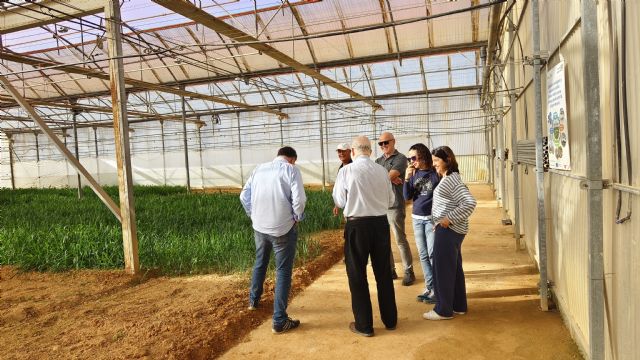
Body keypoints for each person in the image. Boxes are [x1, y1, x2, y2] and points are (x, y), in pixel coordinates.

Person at [333, 136, 397, 337]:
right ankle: (390, 320)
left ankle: (364, 325)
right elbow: (391, 200)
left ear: (353, 152)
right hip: (379, 225)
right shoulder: (382, 171)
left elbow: (340, 201)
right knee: (383, 273)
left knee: (357, 275)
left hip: (357, 226)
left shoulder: (346, 171)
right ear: (370, 151)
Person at [239, 146, 307, 334]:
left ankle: (253, 301)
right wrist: (297, 217)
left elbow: (244, 196)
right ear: (292, 159)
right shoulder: (291, 170)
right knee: (283, 271)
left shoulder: (259, 169)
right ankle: (279, 320)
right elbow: (299, 201)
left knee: (260, 262)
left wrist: (254, 215)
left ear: (278, 156)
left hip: (259, 227)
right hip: (282, 228)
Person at [423, 146, 477, 321]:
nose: (434, 165)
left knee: (443, 270)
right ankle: (458, 305)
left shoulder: (451, 180)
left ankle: (443, 310)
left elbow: (469, 202)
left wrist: (448, 219)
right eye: (433, 161)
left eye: (437, 161)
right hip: (451, 231)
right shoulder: (449, 177)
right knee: (454, 270)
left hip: (448, 231)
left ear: (448, 160)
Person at [376, 131, 415, 286]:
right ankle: (390, 269)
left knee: (400, 239)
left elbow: (384, 177)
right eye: (381, 144)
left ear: (393, 142)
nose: (384, 146)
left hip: (395, 205)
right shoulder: (378, 161)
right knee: (384, 241)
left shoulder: (400, 158)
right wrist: (389, 177)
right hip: (380, 206)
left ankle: (408, 271)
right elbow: (376, 179)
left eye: (386, 142)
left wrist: (388, 177)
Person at [403, 143, 440, 304]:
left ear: (423, 156)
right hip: (417, 219)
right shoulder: (414, 174)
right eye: (409, 158)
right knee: (423, 255)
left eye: (413, 158)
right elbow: (406, 197)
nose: (411, 161)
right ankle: (430, 287)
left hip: (431, 219)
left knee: (433, 255)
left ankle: (438, 290)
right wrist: (406, 178)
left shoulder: (435, 173)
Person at [333, 142, 353, 216]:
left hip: (355, 205)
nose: (341, 153)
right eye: (339, 151)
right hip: (346, 206)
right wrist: (337, 205)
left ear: (350, 152)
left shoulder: (354, 166)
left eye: (343, 151)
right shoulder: (341, 168)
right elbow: (340, 187)